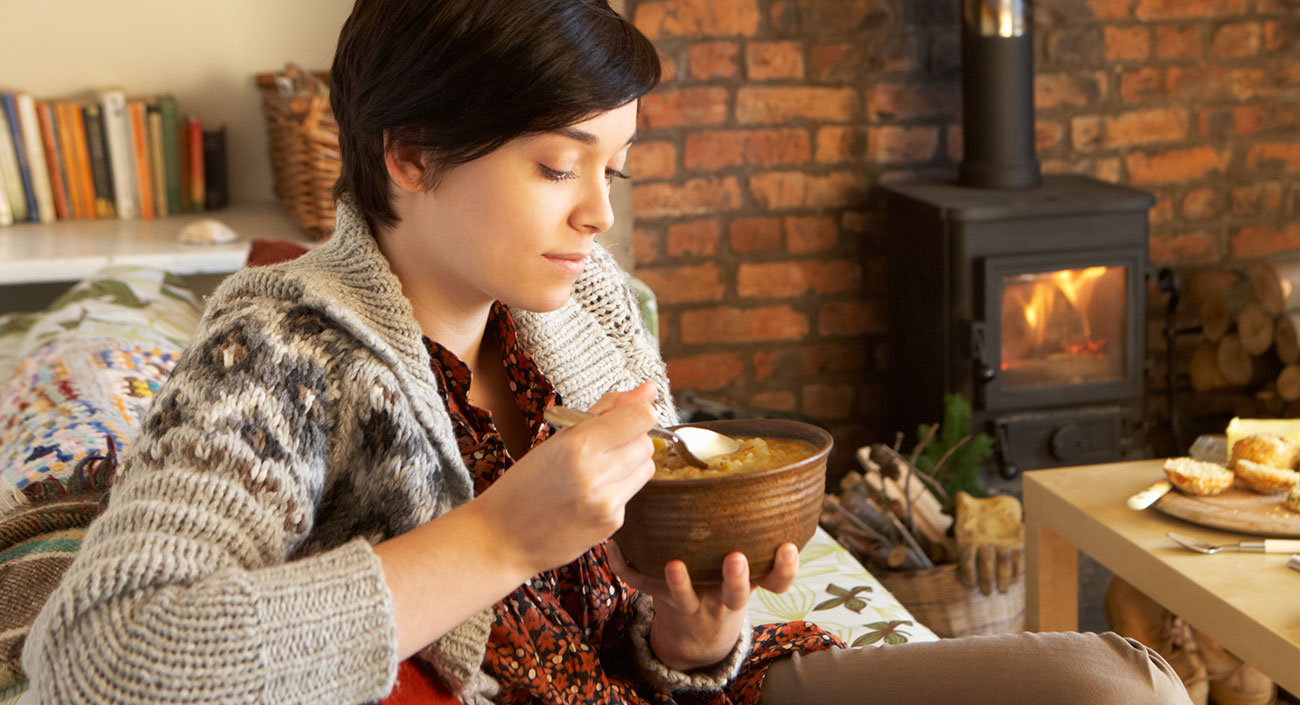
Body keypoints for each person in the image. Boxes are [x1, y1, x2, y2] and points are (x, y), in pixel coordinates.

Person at [22, 1, 1194, 703]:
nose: (599, 217)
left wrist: (693, 637)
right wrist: (497, 535)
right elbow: (100, 657)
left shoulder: (592, 319)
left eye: (612, 171)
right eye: (554, 166)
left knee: (1122, 683)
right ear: (410, 156)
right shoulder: (275, 349)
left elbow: (639, 623)